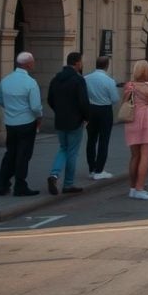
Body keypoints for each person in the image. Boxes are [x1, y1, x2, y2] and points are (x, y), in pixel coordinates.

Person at [0, 52, 43, 196]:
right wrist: (39, 117)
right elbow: (35, 107)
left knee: (10, 153)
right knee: (23, 155)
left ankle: (3, 184)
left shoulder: (6, 80)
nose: (34, 64)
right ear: (28, 64)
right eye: (33, 62)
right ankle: (20, 185)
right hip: (27, 122)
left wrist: (11, 109)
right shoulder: (30, 82)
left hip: (10, 123)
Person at [46, 52, 91, 195]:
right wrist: (86, 117)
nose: (81, 64)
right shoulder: (78, 80)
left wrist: (58, 110)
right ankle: (68, 184)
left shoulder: (56, 79)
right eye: (81, 62)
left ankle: (54, 174)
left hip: (60, 119)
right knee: (72, 152)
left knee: (63, 148)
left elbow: (50, 99)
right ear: (77, 63)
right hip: (75, 120)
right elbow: (83, 102)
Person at [124, 61, 148, 199]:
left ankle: (132, 187)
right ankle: (140, 187)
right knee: (145, 155)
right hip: (146, 118)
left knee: (134, 156)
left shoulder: (129, 85)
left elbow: (124, 102)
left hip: (132, 119)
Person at [84, 55, 120, 180]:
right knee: (104, 141)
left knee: (91, 140)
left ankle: (91, 169)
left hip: (91, 109)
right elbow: (115, 99)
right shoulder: (109, 81)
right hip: (104, 110)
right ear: (107, 65)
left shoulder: (86, 78)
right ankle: (99, 170)